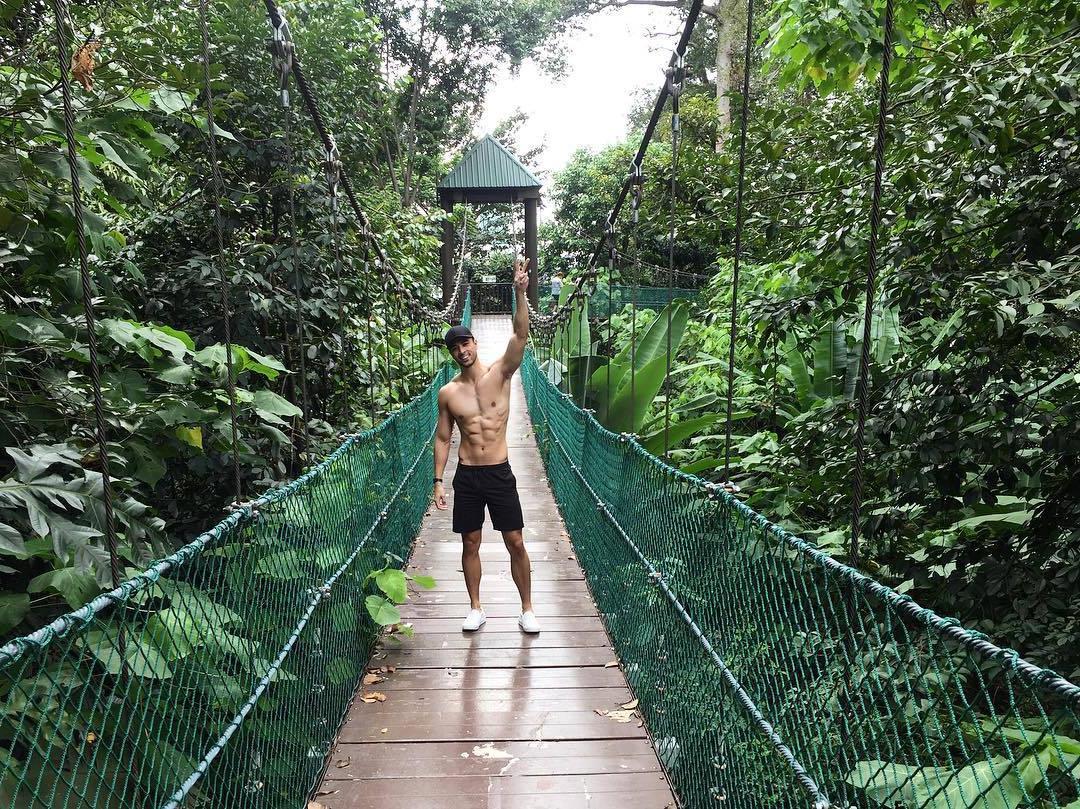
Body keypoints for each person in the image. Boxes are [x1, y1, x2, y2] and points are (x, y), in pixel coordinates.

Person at [433, 256, 539, 634]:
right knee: (471, 541)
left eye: (465, 342)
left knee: (515, 540)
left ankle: (527, 608)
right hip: (467, 476)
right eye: (455, 347)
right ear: (451, 354)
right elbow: (444, 436)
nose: (462, 350)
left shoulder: (502, 373)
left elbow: (521, 336)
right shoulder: (449, 393)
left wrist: (520, 292)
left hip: (498, 471)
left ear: (475, 342)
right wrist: (438, 481)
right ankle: (476, 607)